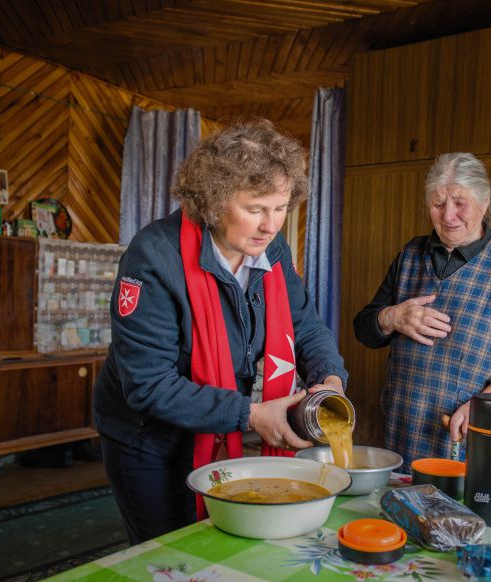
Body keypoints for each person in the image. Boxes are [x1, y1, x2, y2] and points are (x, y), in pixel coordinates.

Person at [93, 118, 348, 544]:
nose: (272, 225)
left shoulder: (272, 248)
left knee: (218, 541)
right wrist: (248, 415)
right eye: (255, 209)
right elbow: (148, 385)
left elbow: (305, 325)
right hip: (147, 438)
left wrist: (330, 378)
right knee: (171, 551)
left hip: (215, 421)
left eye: (281, 208)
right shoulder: (153, 258)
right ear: (213, 202)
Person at [354, 152, 491, 470]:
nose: (448, 216)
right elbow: (364, 327)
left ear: (485, 200)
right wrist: (391, 317)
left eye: (459, 203)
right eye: (438, 204)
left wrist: (487, 400)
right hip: (402, 429)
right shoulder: (411, 255)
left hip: (473, 433)